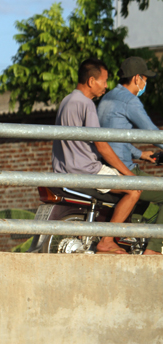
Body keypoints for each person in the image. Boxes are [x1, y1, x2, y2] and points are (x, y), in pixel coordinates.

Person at [52, 58, 140, 255]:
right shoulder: (86, 104)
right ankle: (107, 241)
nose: (107, 86)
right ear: (91, 81)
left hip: (64, 171)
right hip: (87, 170)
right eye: (104, 80)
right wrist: (127, 174)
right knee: (135, 190)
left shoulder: (66, 100)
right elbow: (101, 145)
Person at [97, 56, 163, 255]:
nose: (145, 83)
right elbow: (151, 133)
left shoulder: (107, 97)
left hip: (105, 164)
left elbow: (116, 138)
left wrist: (140, 154)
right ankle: (154, 250)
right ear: (136, 79)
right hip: (122, 169)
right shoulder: (130, 101)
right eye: (145, 79)